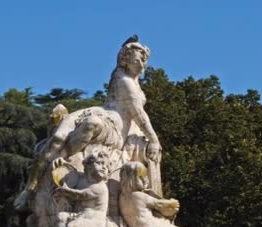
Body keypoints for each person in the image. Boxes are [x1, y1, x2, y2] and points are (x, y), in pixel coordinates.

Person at [14, 38, 161, 212]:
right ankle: (30, 187)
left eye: (144, 61)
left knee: (91, 124)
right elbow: (139, 114)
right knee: (58, 135)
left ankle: (64, 155)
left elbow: (138, 114)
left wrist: (153, 140)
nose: (142, 65)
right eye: (137, 60)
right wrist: (154, 139)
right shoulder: (121, 78)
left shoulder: (131, 81)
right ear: (124, 60)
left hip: (114, 129)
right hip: (104, 114)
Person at [50, 151, 110, 227]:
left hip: (95, 224)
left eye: (106, 165)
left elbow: (81, 195)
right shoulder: (82, 178)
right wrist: (63, 163)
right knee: (61, 216)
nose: (104, 168)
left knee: (72, 226)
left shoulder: (100, 187)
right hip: (80, 216)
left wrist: (66, 191)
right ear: (89, 166)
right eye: (100, 163)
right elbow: (72, 171)